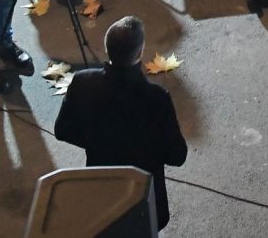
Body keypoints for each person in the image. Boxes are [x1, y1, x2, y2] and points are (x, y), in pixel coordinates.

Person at [55, 16, 190, 232]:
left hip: (101, 187)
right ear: (139, 52)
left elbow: (62, 130)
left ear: (107, 49)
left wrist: (96, 142)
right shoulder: (155, 98)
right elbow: (177, 156)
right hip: (144, 196)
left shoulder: (82, 82)